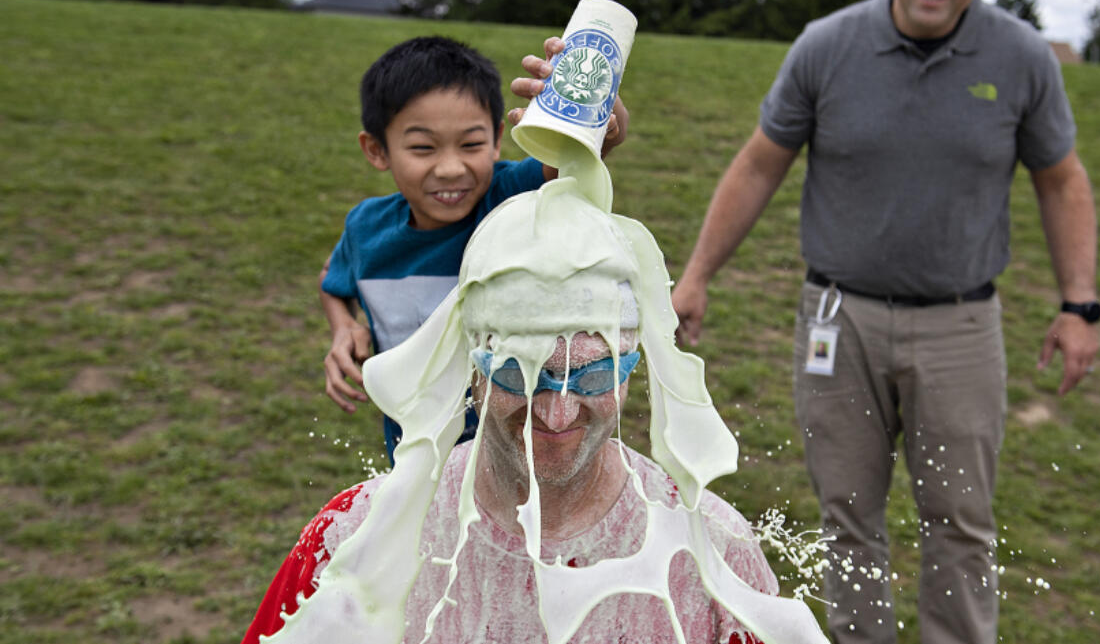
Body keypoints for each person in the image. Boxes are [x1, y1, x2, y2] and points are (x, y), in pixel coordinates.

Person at [670, 0, 1100, 644]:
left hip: (961, 325)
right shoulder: (827, 46)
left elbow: (1061, 179)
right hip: (839, 319)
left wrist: (1078, 304)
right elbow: (760, 163)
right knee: (848, 516)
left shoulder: (1022, 57)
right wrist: (698, 273)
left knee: (960, 523)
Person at [246, 177, 826, 644]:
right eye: (518, 376)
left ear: (631, 368)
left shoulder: (713, 561)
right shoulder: (357, 541)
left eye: (594, 373)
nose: (555, 414)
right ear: (471, 365)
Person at [318, 35, 627, 463]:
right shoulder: (365, 228)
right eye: (423, 147)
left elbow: (580, 155)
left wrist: (598, 116)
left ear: (498, 139)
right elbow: (333, 281)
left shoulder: (510, 197)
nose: (451, 168)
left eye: (471, 144)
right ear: (377, 150)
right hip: (417, 454)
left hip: (525, 453)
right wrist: (343, 327)